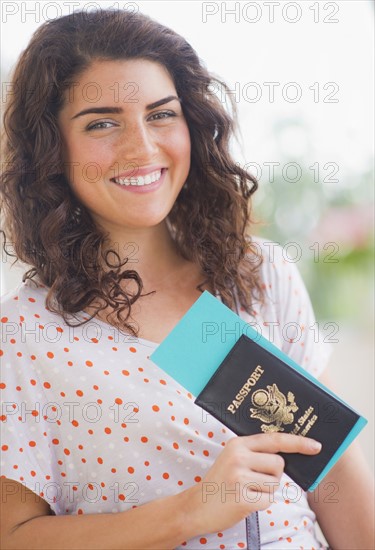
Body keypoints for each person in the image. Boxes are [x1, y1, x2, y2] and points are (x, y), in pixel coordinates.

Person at [0, 8, 373, 550]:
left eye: (161, 115)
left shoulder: (257, 275)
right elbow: (13, 536)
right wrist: (191, 511)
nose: (142, 148)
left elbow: (331, 468)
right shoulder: (25, 333)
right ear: (52, 150)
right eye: (102, 123)